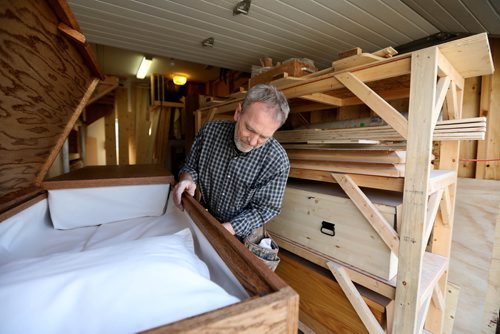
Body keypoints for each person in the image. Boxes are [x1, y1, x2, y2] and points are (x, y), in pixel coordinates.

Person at [173, 83, 290, 239]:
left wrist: (224, 230)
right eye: (249, 129)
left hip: (242, 233)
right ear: (238, 113)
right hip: (207, 217)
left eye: (264, 137)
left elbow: (266, 208)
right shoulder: (210, 132)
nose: (253, 142)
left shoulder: (277, 161)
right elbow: (191, 166)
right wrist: (187, 179)